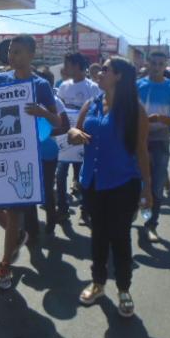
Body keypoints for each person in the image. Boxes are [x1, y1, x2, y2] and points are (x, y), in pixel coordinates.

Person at [0, 34, 61, 291]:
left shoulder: (41, 86)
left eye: (18, 51)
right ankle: (18, 236)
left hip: (23, 157)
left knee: (15, 211)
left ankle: (5, 265)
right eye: (10, 52)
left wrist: (41, 112)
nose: (12, 56)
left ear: (31, 55)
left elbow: (57, 122)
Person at [68, 56, 152, 317]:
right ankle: (98, 283)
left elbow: (141, 150)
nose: (99, 72)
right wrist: (74, 134)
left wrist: (148, 189)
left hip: (122, 184)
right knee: (98, 236)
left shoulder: (135, 110)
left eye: (105, 70)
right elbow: (73, 133)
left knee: (120, 237)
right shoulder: (91, 104)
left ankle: (124, 289)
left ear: (119, 76)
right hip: (92, 183)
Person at [137, 51, 170, 243]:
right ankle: (134, 213)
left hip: (160, 140)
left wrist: (160, 119)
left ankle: (151, 225)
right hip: (138, 138)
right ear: (148, 63)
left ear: (165, 66)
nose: (157, 67)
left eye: (161, 64)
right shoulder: (137, 85)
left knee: (156, 184)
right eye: (154, 63)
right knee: (134, 181)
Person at [56, 53, 101, 224]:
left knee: (84, 177)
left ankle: (85, 210)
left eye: (68, 64)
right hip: (65, 139)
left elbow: (96, 112)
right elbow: (59, 111)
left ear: (78, 66)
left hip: (83, 140)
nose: (66, 68)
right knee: (60, 175)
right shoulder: (62, 86)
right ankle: (62, 209)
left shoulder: (93, 87)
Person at [24, 67, 69, 236]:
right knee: (29, 190)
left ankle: (51, 221)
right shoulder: (23, 98)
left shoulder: (56, 102)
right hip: (27, 152)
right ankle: (32, 230)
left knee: (47, 190)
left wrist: (46, 132)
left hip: (48, 152)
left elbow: (65, 126)